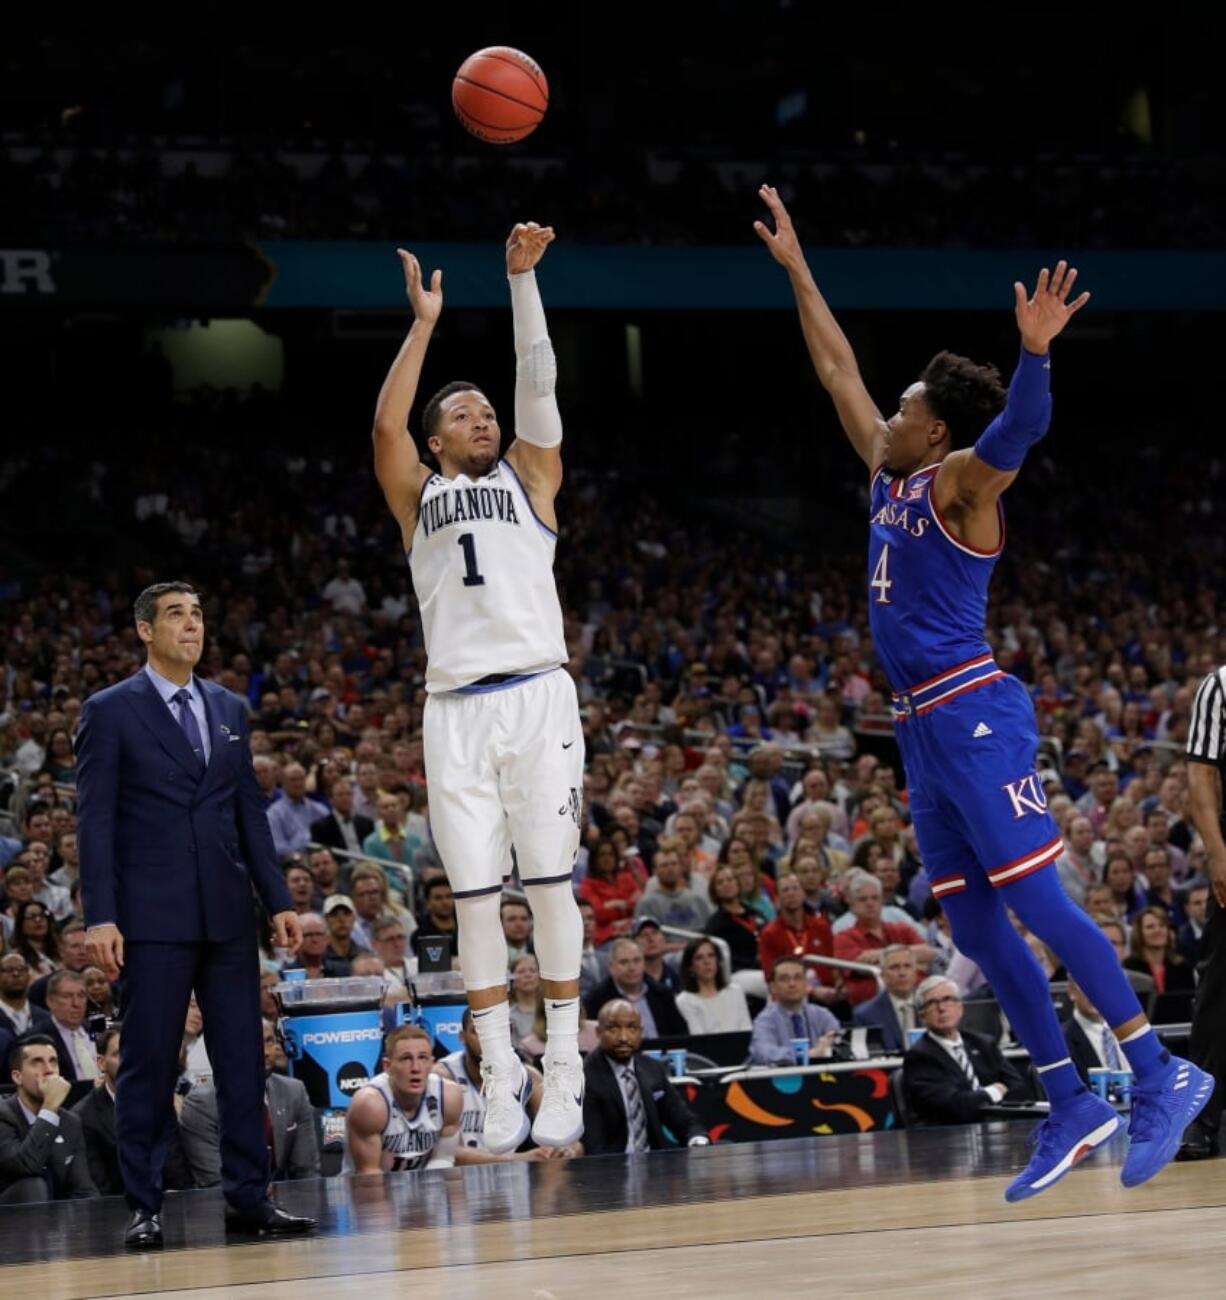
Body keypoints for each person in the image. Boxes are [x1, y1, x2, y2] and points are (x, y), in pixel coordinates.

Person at [757, 186, 1209, 1199]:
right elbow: (833, 366)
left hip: (971, 707)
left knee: (1038, 898)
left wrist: (1036, 351)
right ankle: (1068, 1100)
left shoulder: (961, 482)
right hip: (916, 728)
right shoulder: (887, 476)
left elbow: (1018, 431)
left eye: (907, 410)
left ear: (936, 435)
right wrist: (796, 269)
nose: (890, 415)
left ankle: (1156, 1071)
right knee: (967, 926)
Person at [372, 224, 585, 1154]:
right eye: (462, 414)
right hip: (453, 708)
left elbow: (537, 382)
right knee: (470, 902)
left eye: (486, 412)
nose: (483, 418)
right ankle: (499, 1081)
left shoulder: (532, 478)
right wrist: (424, 326)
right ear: (434, 437)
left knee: (547, 890)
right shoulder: (416, 494)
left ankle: (565, 1069)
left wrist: (520, 285)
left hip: (538, 696)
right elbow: (384, 427)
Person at [74, 581, 312, 1246]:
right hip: (150, 918)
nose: (192, 625)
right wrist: (101, 916)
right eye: (176, 614)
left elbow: (249, 812)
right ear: (146, 630)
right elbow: (93, 821)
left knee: (241, 1060)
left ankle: (248, 1199)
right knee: (150, 1062)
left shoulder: (229, 705)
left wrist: (280, 900)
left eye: (199, 614)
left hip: (230, 913)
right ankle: (145, 1205)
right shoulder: (110, 709)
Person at [1176, 662, 1226, 1159]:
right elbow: (1201, 776)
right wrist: (1217, 854)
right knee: (1218, 989)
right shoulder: (1220, 685)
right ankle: (1203, 1117)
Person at [179, 1020, 320, 1186]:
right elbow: (213, 1182)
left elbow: (307, 1173)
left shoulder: (293, 1091)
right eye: (254, 1042)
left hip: (288, 1203)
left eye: (269, 1041)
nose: (266, 1052)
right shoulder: (202, 1104)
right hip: (226, 1206)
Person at [434, 1008, 581, 1162]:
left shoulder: (528, 1077)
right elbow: (448, 1153)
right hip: (461, 1179)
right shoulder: (443, 1076)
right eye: (478, 1031)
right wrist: (518, 1158)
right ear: (462, 1037)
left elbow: (573, 1141)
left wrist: (565, 1150)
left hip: (513, 1178)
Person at [579, 1000, 709, 1156]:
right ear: (598, 1032)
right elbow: (594, 1146)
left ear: (641, 1032)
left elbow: (683, 1120)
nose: (623, 1037)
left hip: (656, 1163)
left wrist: (697, 1139)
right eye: (613, 1028)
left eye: (631, 1028)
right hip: (611, 1168)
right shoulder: (584, 1075)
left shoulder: (652, 1068)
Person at [73, 1026, 192, 1196]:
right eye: (119, 1053)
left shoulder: (159, 1103)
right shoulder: (84, 1116)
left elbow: (177, 1172)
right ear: (101, 1062)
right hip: (115, 1211)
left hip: (169, 1207)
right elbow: (100, 1188)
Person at [901, 977, 1031, 1125]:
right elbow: (955, 1106)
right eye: (932, 1003)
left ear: (960, 1007)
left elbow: (1019, 1088)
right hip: (951, 1137)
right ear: (922, 1015)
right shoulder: (919, 1057)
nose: (942, 1008)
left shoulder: (983, 1043)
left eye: (947, 999)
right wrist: (994, 1091)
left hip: (1001, 1127)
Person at [345, 1025, 463, 1172]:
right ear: (387, 1066)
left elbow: (443, 1160)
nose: (416, 1068)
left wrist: (430, 1194)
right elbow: (369, 1174)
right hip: (368, 1190)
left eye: (422, 1057)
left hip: (424, 1187)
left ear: (432, 1063)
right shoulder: (370, 1104)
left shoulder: (449, 1097)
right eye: (406, 1058)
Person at [0, 1034, 97, 1203]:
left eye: (53, 1061)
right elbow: (25, 1165)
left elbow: (83, 1189)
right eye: (37, 1062)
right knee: (33, 1186)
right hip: (8, 1219)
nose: (49, 1070)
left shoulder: (70, 1121)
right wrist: (50, 1107)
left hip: (55, 1222)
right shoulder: (3, 1114)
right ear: (17, 1077)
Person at [583, 937, 688, 1038]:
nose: (632, 968)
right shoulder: (595, 1000)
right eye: (624, 962)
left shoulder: (662, 994)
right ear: (611, 966)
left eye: (637, 961)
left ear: (643, 963)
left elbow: (681, 1035)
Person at [748, 956, 840, 1066]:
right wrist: (806, 1055)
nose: (792, 984)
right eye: (784, 979)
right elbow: (762, 1052)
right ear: (772, 987)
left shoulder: (822, 1015)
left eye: (798, 977)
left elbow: (839, 1042)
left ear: (806, 983)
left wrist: (831, 1044)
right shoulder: (765, 1020)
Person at [675, 936, 753, 1036]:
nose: (707, 962)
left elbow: (747, 1030)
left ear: (717, 960)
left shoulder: (735, 991)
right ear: (690, 967)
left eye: (711, 956)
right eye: (699, 958)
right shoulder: (684, 1001)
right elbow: (699, 1038)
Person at [853, 945, 921, 1053]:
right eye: (894, 967)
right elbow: (869, 1062)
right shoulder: (865, 1015)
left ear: (916, 971)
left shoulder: (932, 1005)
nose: (902, 973)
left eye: (907, 966)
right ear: (882, 974)